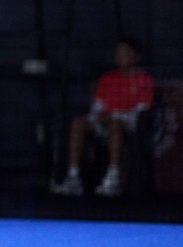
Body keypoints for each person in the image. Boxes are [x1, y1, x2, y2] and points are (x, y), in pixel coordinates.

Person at [52, 37, 154, 197]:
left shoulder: (144, 80)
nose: (120, 56)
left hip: (128, 125)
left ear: (136, 57)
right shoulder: (107, 78)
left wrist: (114, 116)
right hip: (104, 122)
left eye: (125, 53)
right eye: (118, 53)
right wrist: (99, 115)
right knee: (78, 123)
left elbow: (141, 111)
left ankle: (112, 179)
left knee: (115, 123)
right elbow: (98, 106)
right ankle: (73, 177)